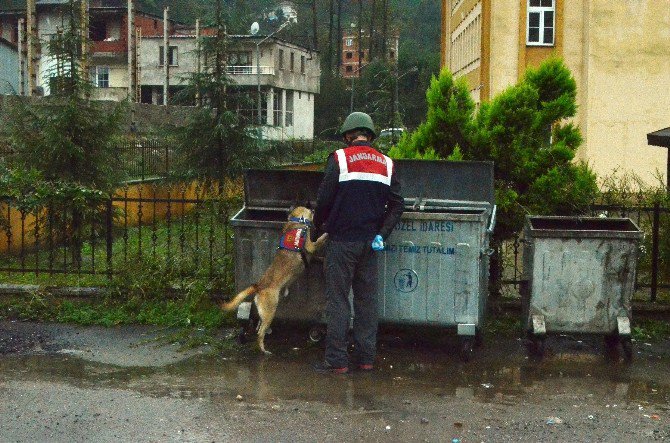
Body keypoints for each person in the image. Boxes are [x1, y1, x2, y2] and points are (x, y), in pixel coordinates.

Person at [311, 112, 404, 374]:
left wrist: (319, 226)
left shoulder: (339, 159)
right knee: (366, 302)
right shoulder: (386, 163)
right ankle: (366, 360)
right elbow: (398, 204)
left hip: (341, 242)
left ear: (348, 135)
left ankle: (337, 361)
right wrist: (381, 234)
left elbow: (324, 199)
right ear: (370, 135)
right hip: (370, 243)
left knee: (339, 301)